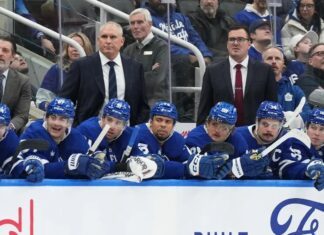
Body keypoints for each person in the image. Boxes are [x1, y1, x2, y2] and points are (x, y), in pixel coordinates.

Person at [59, 21, 149, 126]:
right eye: (104, 37)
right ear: (98, 41)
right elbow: (65, 100)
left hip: (125, 133)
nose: (108, 41)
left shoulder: (135, 67)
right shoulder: (81, 66)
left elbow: (143, 106)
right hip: (90, 131)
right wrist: (76, 128)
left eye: (113, 37)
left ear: (122, 41)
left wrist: (134, 132)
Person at [145, 0, 213, 121]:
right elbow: (161, 45)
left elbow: (195, 38)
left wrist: (206, 55)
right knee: (182, 61)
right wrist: (189, 55)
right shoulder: (148, 19)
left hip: (192, 57)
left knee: (215, 64)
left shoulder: (180, 17)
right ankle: (183, 108)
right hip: (172, 60)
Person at [197, 25, 277, 126]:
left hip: (255, 135)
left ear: (249, 43)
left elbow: (272, 106)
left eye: (240, 39)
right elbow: (204, 109)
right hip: (221, 134)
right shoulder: (212, 71)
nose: (235, 43)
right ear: (227, 44)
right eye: (232, 39)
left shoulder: (265, 71)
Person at [19, 97, 109, 180]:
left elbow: (92, 158)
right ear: (46, 118)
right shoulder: (34, 133)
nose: (56, 123)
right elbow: (37, 171)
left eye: (62, 119)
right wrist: (68, 166)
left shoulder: (76, 137)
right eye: (53, 118)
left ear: (69, 123)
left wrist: (99, 162)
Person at [123, 8, 170, 108]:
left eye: (140, 22)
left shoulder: (162, 47)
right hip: (133, 103)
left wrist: (132, 79)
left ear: (149, 24)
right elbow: (123, 79)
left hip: (155, 104)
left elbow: (157, 80)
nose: (136, 26)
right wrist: (148, 73)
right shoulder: (128, 50)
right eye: (132, 23)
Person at [36, 32, 93, 111]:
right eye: (71, 46)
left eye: (80, 46)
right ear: (66, 49)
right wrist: (55, 109)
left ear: (86, 48)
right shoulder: (56, 69)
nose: (75, 49)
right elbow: (42, 99)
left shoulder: (95, 71)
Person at [262, 46, 311, 127]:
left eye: (277, 58)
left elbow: (307, 114)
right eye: (269, 58)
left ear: (283, 65)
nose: (273, 62)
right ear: (261, 63)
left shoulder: (294, 90)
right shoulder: (254, 87)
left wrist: (288, 118)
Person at [0, 103, 44, 182]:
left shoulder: (10, 141)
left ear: (7, 127)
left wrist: (27, 170)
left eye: (0, 126)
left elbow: (15, 166)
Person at [0, 36, 31, 133]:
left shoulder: (23, 81)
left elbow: (22, 115)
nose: (0, 53)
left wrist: (6, 130)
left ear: (13, 57)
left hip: (6, 133)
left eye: (5, 50)